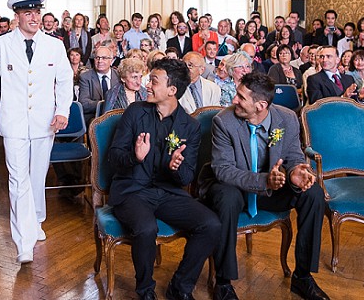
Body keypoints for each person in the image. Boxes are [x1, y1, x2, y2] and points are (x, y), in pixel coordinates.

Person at [201, 73, 331, 300]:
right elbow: (223, 170)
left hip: (271, 188)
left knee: (314, 193)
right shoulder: (223, 121)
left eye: (241, 97)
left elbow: (293, 156)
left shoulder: (288, 118)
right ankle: (223, 282)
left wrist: (296, 172)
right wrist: (264, 181)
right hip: (234, 188)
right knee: (227, 197)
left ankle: (302, 277)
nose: (234, 101)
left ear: (261, 105)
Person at [106, 58, 220, 300]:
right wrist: (135, 157)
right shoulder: (135, 112)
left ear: (172, 90)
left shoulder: (189, 126)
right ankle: (145, 290)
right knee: (146, 228)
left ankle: (180, 286)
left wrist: (175, 168)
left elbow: (187, 176)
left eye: (154, 81)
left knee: (211, 224)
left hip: (168, 193)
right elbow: (113, 158)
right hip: (132, 190)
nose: (147, 84)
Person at [0, 0, 73, 264]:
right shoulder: (2, 45)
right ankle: (23, 242)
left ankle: (37, 221)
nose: (34, 17)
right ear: (16, 16)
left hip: (45, 123)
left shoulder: (54, 45)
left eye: (37, 12)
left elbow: (65, 81)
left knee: (37, 177)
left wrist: (62, 111)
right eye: (27, 13)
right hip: (14, 122)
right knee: (17, 180)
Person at [79, 45, 120, 118]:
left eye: (104, 58)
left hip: (117, 117)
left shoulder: (119, 76)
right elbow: (84, 104)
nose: (100, 61)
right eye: (97, 58)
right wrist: (106, 104)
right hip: (94, 117)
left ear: (111, 60)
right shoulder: (85, 77)